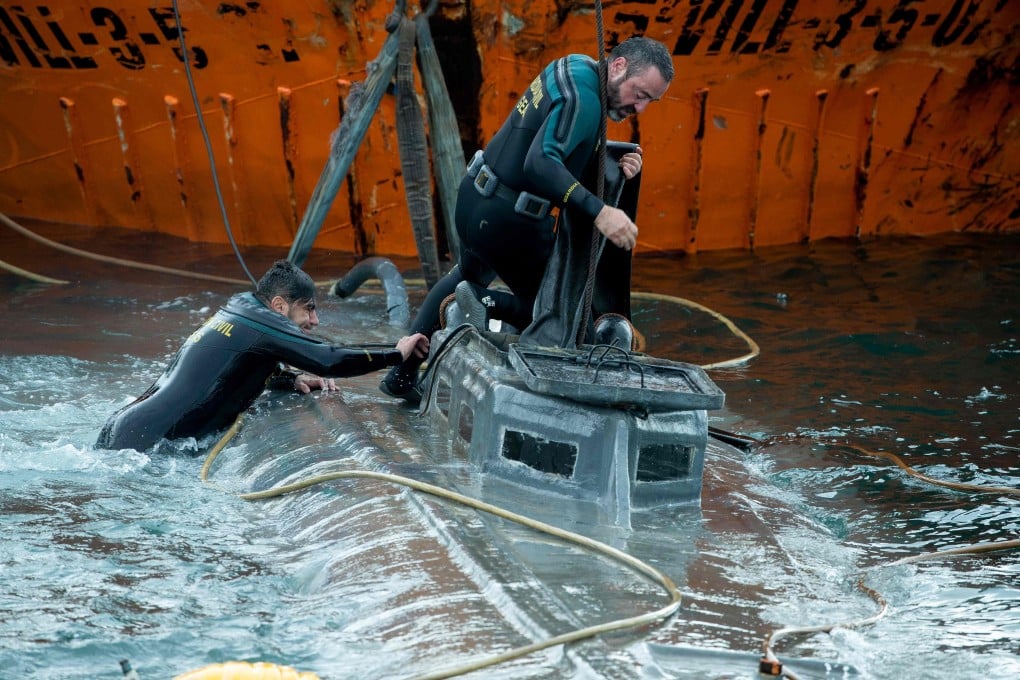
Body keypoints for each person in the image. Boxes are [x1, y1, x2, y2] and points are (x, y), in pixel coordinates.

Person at [380, 36, 673, 401]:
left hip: (476, 199)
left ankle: (401, 376)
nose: (640, 107)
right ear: (618, 66)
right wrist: (601, 211)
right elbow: (541, 162)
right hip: (509, 222)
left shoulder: (576, 66)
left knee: (466, 271)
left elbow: (553, 139)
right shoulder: (585, 102)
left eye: (649, 101)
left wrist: (612, 159)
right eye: (639, 93)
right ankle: (485, 303)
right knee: (566, 315)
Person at [97, 260, 429, 452]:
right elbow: (328, 359)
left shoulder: (241, 314)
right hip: (143, 442)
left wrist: (289, 378)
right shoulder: (261, 324)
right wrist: (394, 355)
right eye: (308, 309)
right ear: (280, 306)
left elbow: (228, 370)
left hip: (130, 426)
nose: (315, 321)